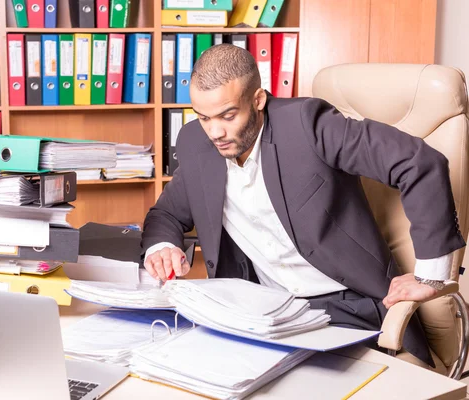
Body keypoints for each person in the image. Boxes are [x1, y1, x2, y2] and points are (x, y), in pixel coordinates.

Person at [140, 44, 466, 367]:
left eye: (228, 115)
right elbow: (166, 213)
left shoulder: (307, 124)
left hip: (349, 310)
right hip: (265, 315)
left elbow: (417, 161)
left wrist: (430, 276)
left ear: (257, 100)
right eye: (203, 118)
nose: (215, 132)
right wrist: (163, 246)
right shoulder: (195, 142)